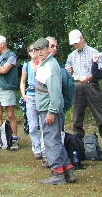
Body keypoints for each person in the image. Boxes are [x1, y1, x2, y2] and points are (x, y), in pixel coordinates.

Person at [34, 38, 77, 185]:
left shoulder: (50, 66)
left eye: (42, 49)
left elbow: (56, 93)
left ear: (48, 49)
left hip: (48, 109)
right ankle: (69, 172)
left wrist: (51, 112)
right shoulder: (46, 64)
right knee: (56, 140)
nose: (39, 52)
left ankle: (57, 174)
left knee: (51, 141)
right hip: (47, 108)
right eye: (36, 50)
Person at [65, 29, 102, 155]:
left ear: (82, 39)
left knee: (100, 117)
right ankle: (78, 147)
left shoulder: (94, 52)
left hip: (91, 85)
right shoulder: (71, 56)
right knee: (77, 118)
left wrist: (89, 77)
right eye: (73, 44)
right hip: (77, 86)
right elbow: (68, 72)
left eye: (77, 42)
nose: (75, 45)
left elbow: (99, 71)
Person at [0, 35, 19, 151]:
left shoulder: (12, 56)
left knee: (10, 114)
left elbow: (6, 70)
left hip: (7, 88)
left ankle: (15, 140)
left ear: (2, 44)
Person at [20, 44, 43, 159]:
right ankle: (36, 148)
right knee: (33, 124)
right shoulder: (26, 65)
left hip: (42, 95)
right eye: (31, 50)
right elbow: (23, 81)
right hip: (30, 95)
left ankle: (44, 148)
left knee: (43, 123)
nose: (33, 51)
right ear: (28, 52)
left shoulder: (43, 63)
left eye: (35, 49)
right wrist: (23, 94)